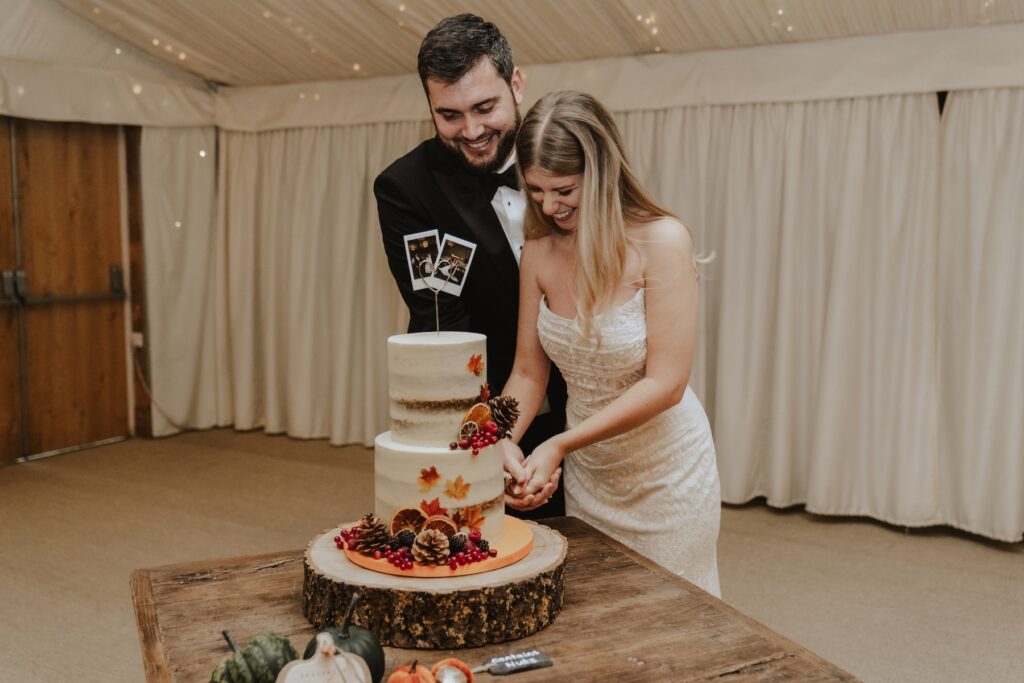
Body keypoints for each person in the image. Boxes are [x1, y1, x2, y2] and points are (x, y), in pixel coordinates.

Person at [500, 91, 722, 595]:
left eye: (563, 190)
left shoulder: (663, 241)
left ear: (601, 171)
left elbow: (666, 383)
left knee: (673, 618)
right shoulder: (537, 252)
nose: (548, 206)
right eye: (534, 191)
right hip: (593, 474)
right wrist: (500, 442)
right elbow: (528, 374)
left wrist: (558, 443)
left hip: (669, 475)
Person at [374, 15, 566, 517]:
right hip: (499, 409)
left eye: (485, 107)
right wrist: (487, 438)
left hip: (591, 399)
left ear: (516, 84)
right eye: (451, 115)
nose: (473, 130)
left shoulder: (568, 154)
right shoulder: (406, 189)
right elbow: (440, 320)